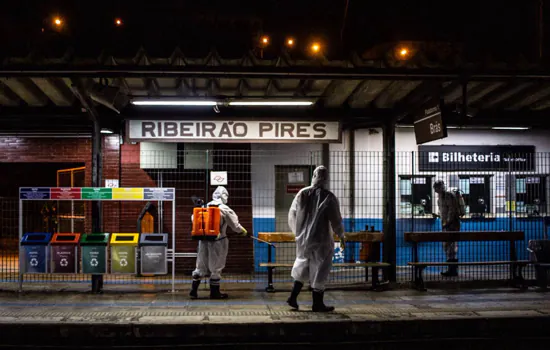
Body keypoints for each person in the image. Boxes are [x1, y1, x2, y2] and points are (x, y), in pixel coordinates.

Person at [286, 165, 345, 312]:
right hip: (322, 240)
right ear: (326, 178)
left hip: (304, 240)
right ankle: (317, 303)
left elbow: (291, 215)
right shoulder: (328, 197)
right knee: (320, 269)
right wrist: (342, 236)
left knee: (302, 266)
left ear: (313, 176)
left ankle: (293, 297)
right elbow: (336, 219)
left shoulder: (302, 193)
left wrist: (297, 233)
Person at [189, 186, 248, 299]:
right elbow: (235, 226)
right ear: (225, 196)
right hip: (218, 241)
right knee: (216, 266)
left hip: (203, 240)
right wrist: (243, 231)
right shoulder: (224, 209)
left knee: (200, 265)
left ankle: (193, 290)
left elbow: (193, 219)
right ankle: (215, 293)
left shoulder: (203, 206)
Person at [433, 180, 461, 277]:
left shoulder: (449, 195)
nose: (438, 189)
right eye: (436, 187)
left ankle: (453, 270)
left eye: (439, 187)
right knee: (447, 246)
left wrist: (447, 222)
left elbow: (452, 211)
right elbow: (444, 211)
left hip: (452, 225)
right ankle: (451, 269)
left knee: (451, 247)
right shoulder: (439, 199)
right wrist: (438, 216)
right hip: (445, 225)